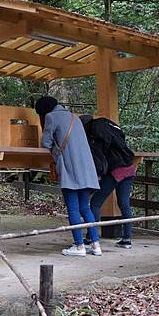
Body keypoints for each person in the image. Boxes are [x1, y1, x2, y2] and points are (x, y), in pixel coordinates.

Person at [35, 96, 102, 257]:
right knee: (85, 207)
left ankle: (79, 246)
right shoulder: (74, 117)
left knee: (72, 207)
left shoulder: (51, 117)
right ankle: (95, 244)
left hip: (70, 169)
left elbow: (45, 143)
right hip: (86, 169)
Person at [80, 114, 135, 249]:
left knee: (95, 203)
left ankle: (91, 237)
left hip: (115, 169)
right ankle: (127, 238)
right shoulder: (108, 124)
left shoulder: (96, 127)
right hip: (129, 166)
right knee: (124, 204)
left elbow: (102, 147)